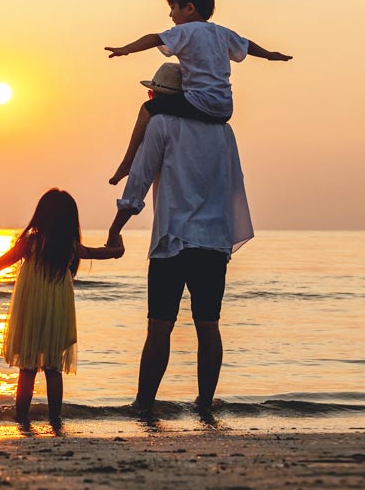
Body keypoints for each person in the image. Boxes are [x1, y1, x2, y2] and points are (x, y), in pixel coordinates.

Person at [106, 64, 256, 415]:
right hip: (213, 241)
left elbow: (139, 181)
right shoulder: (224, 132)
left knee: (159, 325)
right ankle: (204, 404)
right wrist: (225, 235)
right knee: (209, 325)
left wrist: (115, 230)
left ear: (157, 97)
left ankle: (144, 404)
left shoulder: (161, 124)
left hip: (172, 240)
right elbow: (234, 183)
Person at [104, 0, 292, 185]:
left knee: (148, 108)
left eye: (173, 7)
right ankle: (128, 162)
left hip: (199, 103)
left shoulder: (185, 31)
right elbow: (247, 45)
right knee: (178, 96)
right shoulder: (222, 33)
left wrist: (126, 49)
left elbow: (154, 38)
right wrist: (269, 54)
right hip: (225, 109)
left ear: (189, 8)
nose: (171, 14)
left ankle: (127, 162)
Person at [0, 189, 123, 423]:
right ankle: (55, 420)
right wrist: (118, 244)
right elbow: (106, 253)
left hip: (31, 309)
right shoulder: (70, 246)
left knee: (27, 368)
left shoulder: (31, 242)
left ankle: (22, 418)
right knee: (53, 368)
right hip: (58, 310)